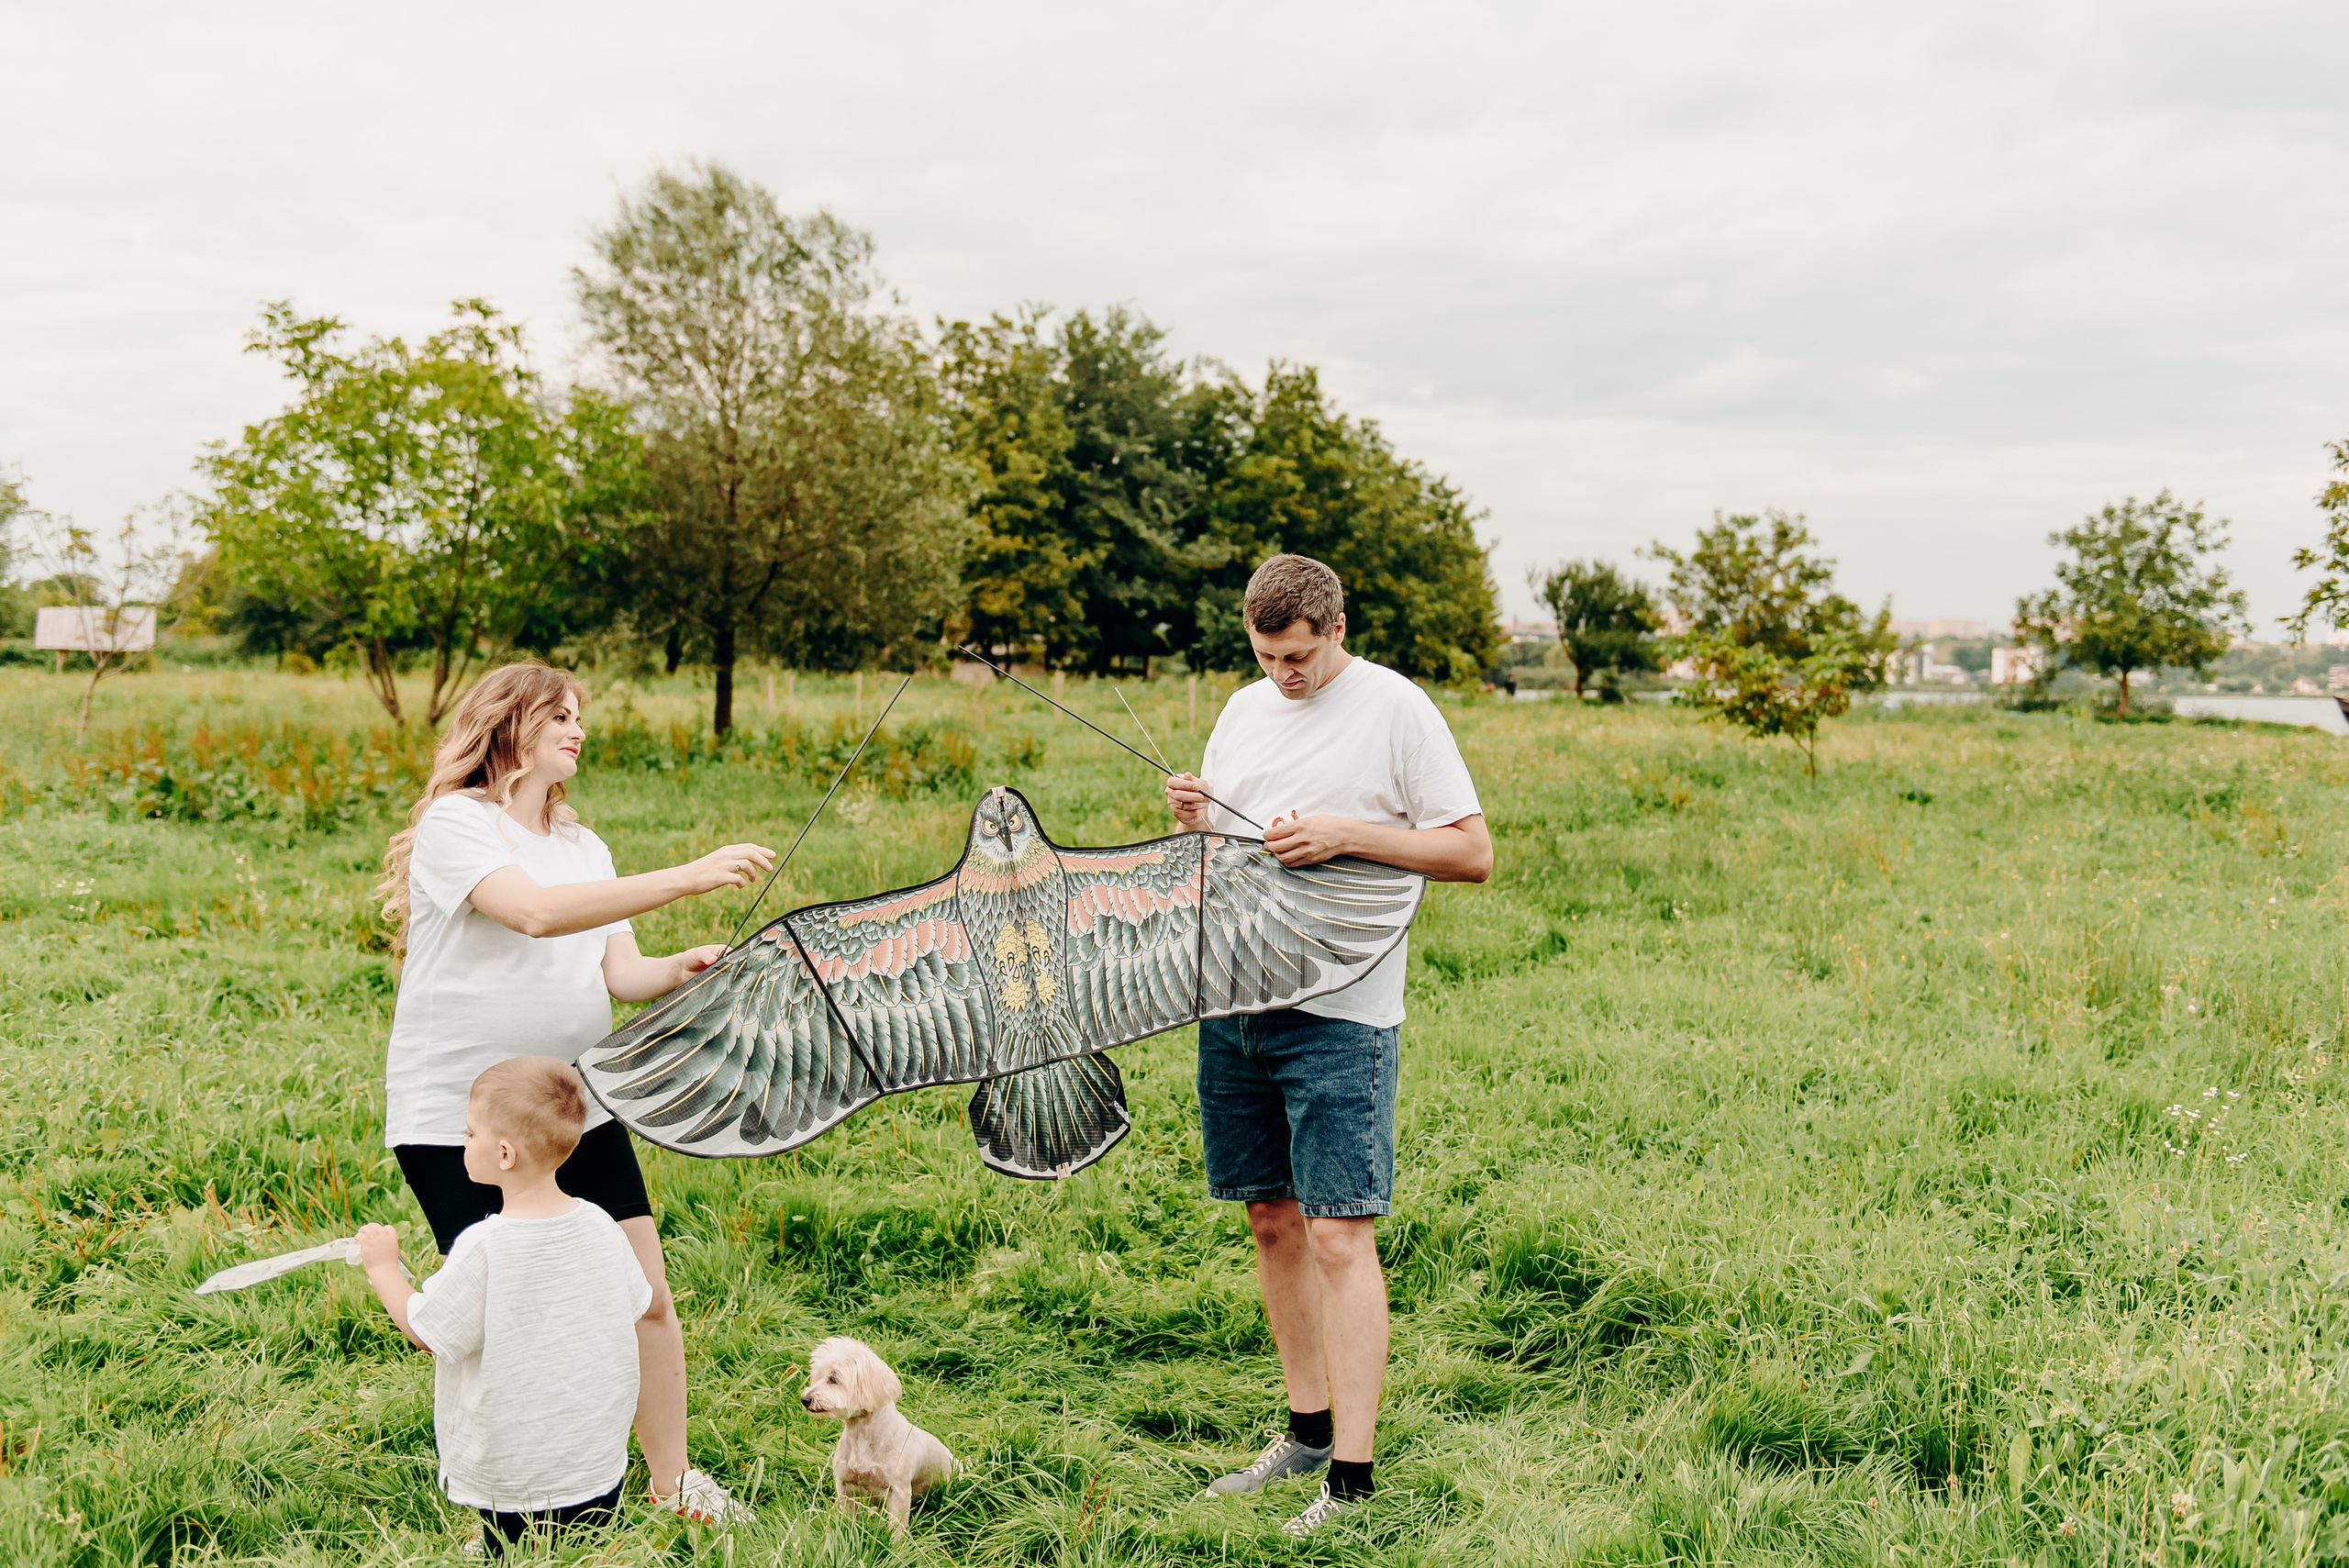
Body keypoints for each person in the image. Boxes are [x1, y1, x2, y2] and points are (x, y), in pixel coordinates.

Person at [373, 662, 775, 1523]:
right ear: (509, 724)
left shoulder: (582, 845)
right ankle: (512, 1495)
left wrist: (681, 968)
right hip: (466, 1119)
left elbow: (618, 971)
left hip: (570, 1109)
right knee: (507, 1313)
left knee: (645, 1293)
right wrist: (691, 873)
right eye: (559, 713)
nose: (577, 727)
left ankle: (673, 1483)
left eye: (580, 715)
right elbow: (535, 914)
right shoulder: (459, 824)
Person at [1164, 554, 1492, 1538]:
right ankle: (1304, 1431)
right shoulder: (1240, 706)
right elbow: (1225, 851)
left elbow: (1471, 851)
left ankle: (1351, 1480)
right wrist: (1194, 822)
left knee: (1340, 1231)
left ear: (1338, 625)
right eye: (1268, 657)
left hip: (1343, 1012)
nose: (1286, 675)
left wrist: (1347, 832)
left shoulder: (1396, 707)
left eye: (1300, 655)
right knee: (1270, 1217)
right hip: (1235, 996)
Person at [358, 1057, 653, 1559]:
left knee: (513, 1554)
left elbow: (429, 1332)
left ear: (504, 1153)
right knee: (595, 1551)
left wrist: (384, 1269)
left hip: (517, 1466)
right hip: (594, 1455)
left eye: (469, 1133)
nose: (462, 1142)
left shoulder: (485, 1244)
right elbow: (634, 1304)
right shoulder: (602, 1225)